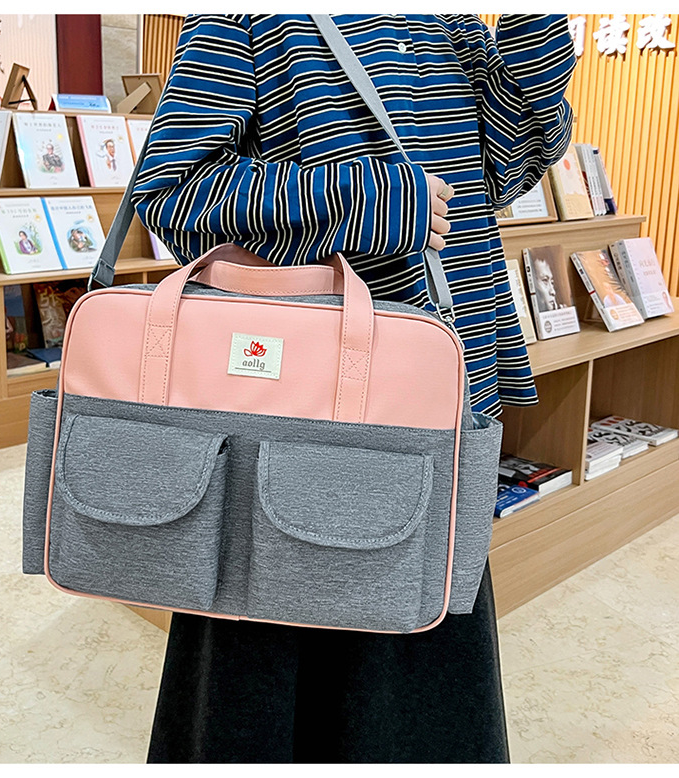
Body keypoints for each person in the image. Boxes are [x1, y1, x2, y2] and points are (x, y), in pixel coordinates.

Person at [132, 14, 576, 763]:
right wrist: (374, 200)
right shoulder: (251, 20)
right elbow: (173, 193)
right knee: (268, 672)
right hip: (297, 408)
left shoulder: (452, 26)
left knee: (422, 671)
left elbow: (505, 168)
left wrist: (536, 29)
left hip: (438, 397)